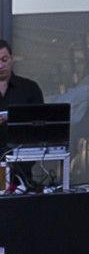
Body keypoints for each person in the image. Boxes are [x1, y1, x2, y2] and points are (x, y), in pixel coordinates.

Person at [0, 39, 45, 189]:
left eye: (4, 59)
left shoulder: (29, 88)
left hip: (22, 164)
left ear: (11, 59)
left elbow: (41, 123)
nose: (1, 65)